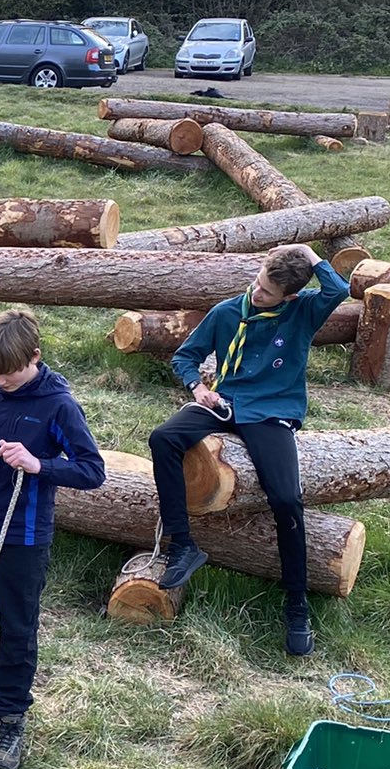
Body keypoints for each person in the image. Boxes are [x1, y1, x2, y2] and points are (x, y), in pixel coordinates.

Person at [148, 243, 350, 656]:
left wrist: (310, 255)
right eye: (258, 284)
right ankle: (183, 545)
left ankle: (297, 606)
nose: (257, 295)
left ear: (289, 296)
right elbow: (186, 356)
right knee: (163, 439)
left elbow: (339, 291)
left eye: (267, 293)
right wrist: (198, 387)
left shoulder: (303, 311)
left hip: (270, 412)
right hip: (225, 404)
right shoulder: (227, 312)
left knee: (286, 499)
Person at [0, 308, 106, 769]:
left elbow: (93, 471)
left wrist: (38, 465)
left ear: (34, 357)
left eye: (9, 374)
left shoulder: (58, 405)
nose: (1, 382)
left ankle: (10, 720)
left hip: (24, 538)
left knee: (17, 628)